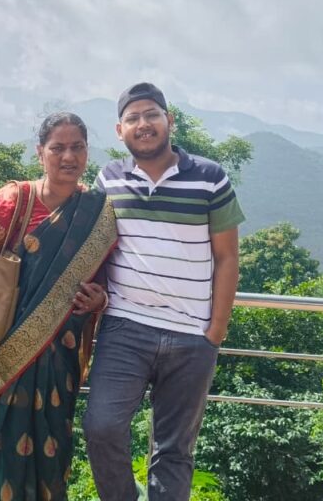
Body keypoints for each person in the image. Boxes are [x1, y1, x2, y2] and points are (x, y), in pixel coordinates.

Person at [83, 83, 244, 500]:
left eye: (151, 114)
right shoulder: (109, 179)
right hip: (124, 328)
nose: (144, 124)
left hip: (192, 337)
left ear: (169, 120)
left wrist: (215, 333)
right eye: (133, 118)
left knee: (174, 450)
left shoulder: (209, 177)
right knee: (101, 428)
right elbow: (94, 247)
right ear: (120, 130)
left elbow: (227, 257)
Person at [0, 112, 118, 501]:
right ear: (41, 152)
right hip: (1, 351)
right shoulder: (15, 200)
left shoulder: (97, 213)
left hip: (60, 358)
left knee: (50, 450)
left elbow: (105, 281)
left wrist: (100, 299)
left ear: (88, 152)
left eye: (77, 147)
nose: (68, 157)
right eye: (58, 148)